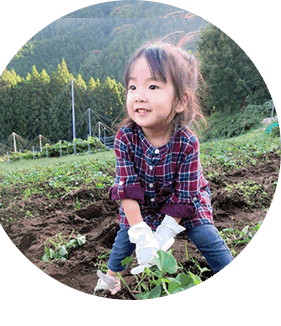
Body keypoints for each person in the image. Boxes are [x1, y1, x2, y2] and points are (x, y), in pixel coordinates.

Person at [94, 41, 234, 295]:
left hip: (185, 203)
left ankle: (232, 277)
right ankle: (109, 280)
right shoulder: (125, 138)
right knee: (124, 240)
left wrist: (165, 232)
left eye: (153, 86)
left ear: (180, 102)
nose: (139, 95)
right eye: (133, 86)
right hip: (142, 203)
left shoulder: (188, 143)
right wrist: (140, 232)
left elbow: (185, 195)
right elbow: (126, 189)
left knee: (206, 236)